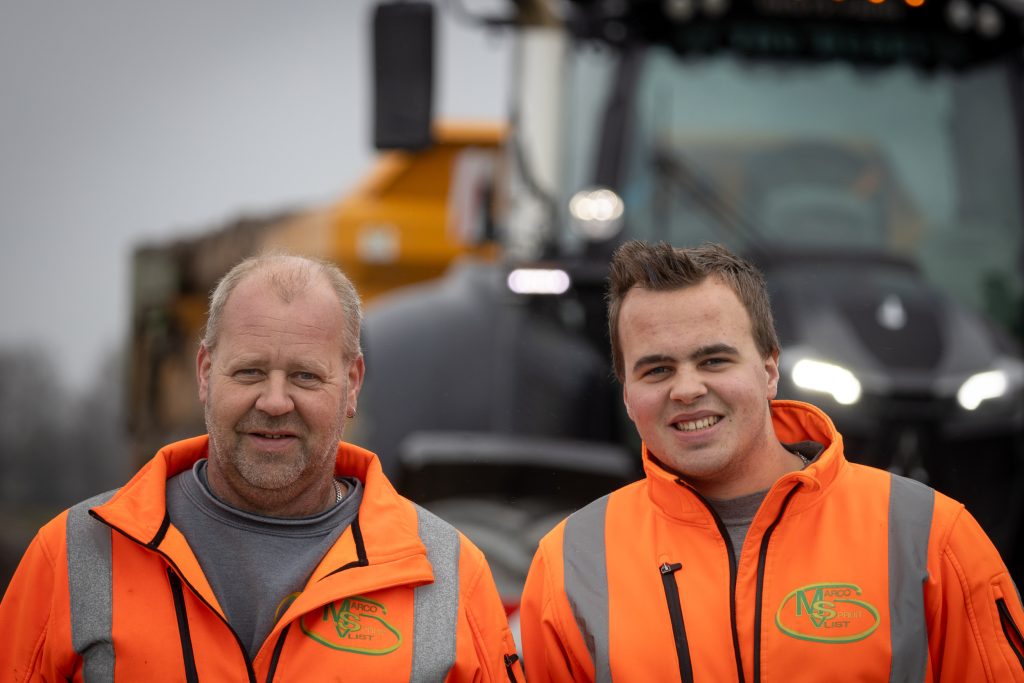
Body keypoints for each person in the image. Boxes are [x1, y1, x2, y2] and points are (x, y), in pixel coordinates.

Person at [0, 253, 524, 682]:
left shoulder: (450, 575)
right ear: (206, 373)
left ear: (353, 384)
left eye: (305, 376)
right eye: (250, 371)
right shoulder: (70, 556)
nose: (275, 401)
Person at [520, 240, 1024, 682]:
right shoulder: (570, 564)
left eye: (714, 360)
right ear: (627, 394)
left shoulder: (934, 537)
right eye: (657, 370)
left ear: (769, 370)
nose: (688, 389)